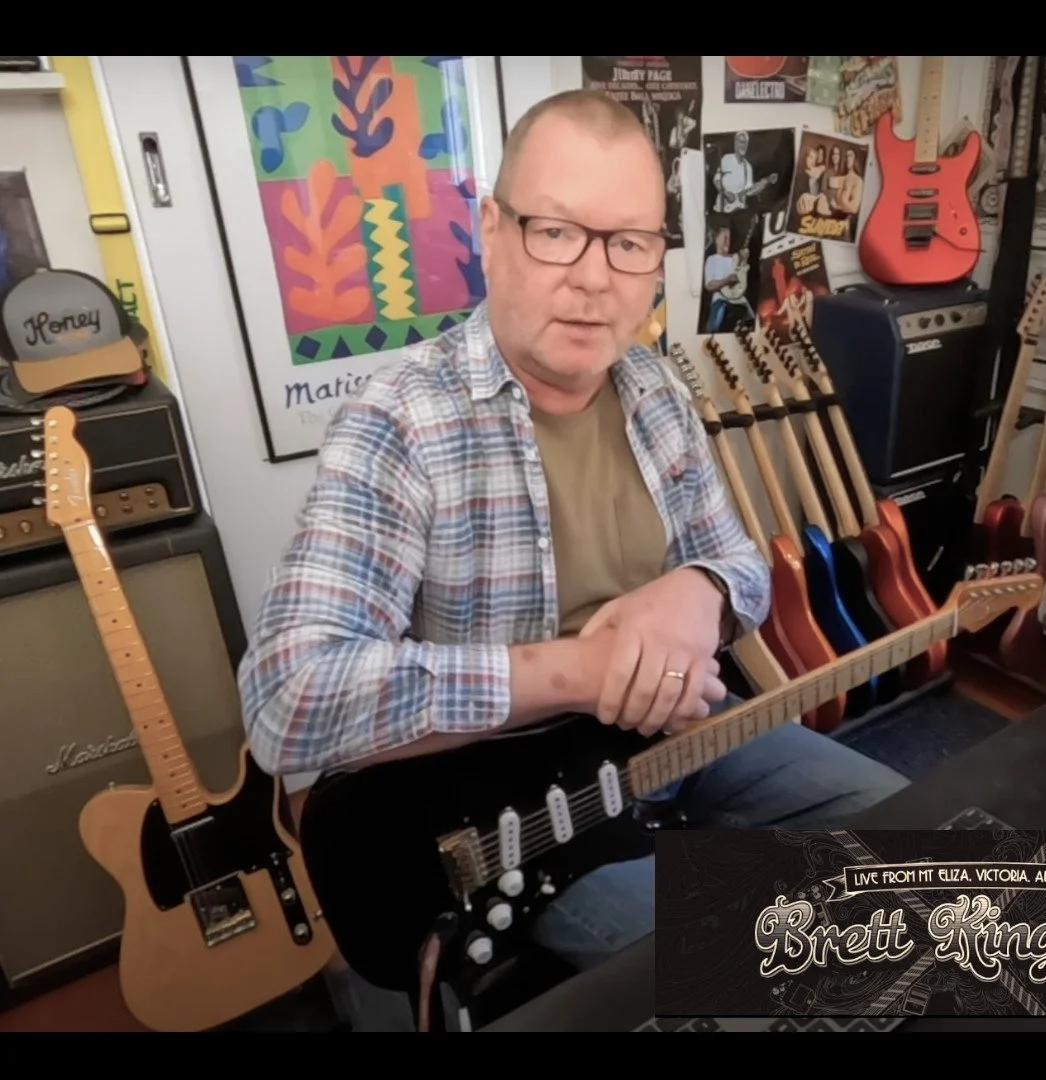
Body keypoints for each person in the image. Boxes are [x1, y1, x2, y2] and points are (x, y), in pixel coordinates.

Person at [237, 89, 909, 1030]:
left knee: (925, 851)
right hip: (506, 817)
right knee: (777, 969)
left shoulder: (657, 393)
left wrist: (700, 592)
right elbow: (288, 696)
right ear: (494, 232)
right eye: (557, 232)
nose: (595, 279)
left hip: (679, 738)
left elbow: (742, 569)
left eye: (630, 242)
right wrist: (578, 674)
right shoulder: (399, 424)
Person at [702, 223, 748, 332]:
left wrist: (744, 260)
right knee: (714, 328)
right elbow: (709, 285)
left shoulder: (735, 258)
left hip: (738, 300)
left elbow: (742, 277)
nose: (728, 241)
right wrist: (726, 280)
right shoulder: (712, 259)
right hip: (720, 300)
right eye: (725, 238)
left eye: (730, 238)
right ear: (717, 239)